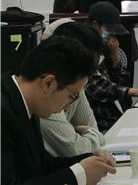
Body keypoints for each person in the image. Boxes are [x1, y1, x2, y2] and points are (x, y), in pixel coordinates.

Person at [1, 36, 116, 185]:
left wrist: (89, 160)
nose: (67, 106)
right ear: (48, 83)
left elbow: (41, 167)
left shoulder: (26, 102)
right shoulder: (4, 112)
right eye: (72, 96)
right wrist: (77, 177)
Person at [84, 2, 138, 132]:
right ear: (95, 24)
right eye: (109, 31)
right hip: (102, 125)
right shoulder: (83, 49)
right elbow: (97, 87)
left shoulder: (102, 49)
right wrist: (137, 91)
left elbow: (121, 84)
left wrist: (115, 59)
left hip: (117, 119)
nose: (112, 36)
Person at [39, 21, 106, 157]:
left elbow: (92, 129)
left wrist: (90, 135)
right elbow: (77, 150)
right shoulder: (48, 93)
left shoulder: (74, 83)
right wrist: (92, 136)